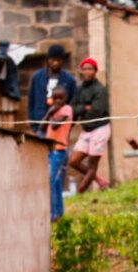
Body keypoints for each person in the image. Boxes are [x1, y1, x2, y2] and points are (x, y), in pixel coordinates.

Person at [69, 57, 111, 193]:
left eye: (90, 69)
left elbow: (96, 111)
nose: (87, 72)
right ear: (81, 71)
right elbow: (72, 109)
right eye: (85, 69)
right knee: (73, 161)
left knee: (92, 163)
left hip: (99, 128)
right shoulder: (79, 89)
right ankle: (100, 181)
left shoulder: (100, 90)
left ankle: (80, 192)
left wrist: (84, 109)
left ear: (95, 71)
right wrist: (84, 108)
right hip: (86, 129)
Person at [27, 44, 76, 134]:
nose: (55, 63)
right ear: (47, 60)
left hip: (60, 126)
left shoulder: (69, 80)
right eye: (53, 60)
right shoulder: (37, 77)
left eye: (58, 60)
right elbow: (31, 101)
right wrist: (33, 124)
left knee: (58, 148)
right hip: (40, 124)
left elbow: (73, 103)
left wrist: (67, 124)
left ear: (62, 61)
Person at [43, 86, 73, 222]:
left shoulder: (67, 110)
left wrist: (52, 111)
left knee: (52, 180)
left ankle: (54, 213)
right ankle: (58, 212)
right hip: (51, 149)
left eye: (60, 98)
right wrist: (49, 112)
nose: (58, 101)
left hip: (59, 150)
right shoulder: (52, 111)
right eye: (55, 98)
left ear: (65, 99)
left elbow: (55, 125)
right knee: (54, 182)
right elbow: (42, 126)